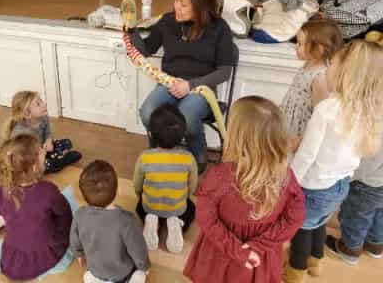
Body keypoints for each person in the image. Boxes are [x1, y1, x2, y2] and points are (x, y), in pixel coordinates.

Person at [284, 37, 383, 283]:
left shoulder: (327, 109)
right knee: (319, 224)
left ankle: (295, 272)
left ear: (346, 73)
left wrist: (290, 181)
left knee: (301, 228)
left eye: (332, 65)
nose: (326, 69)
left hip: (312, 185)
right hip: (340, 185)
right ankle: (315, 263)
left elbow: (307, 154)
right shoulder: (367, 110)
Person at [184, 96, 305, 283]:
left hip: (221, 254)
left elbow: (205, 219)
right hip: (260, 258)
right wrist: (259, 246)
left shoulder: (218, 177)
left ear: (236, 137)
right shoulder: (286, 178)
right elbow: (294, 218)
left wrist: (237, 250)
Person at [131, 0, 237, 173]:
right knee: (147, 113)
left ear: (200, 7)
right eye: (176, 1)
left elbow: (224, 72)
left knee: (187, 115)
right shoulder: (168, 22)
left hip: (201, 89)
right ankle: (158, 152)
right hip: (169, 83)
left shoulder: (220, 29)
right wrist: (130, 30)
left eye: (183, 4)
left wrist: (190, 85)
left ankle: (198, 153)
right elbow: (146, 49)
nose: (176, 7)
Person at [0, 134, 73, 281]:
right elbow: (63, 211)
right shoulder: (47, 190)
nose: (45, 154)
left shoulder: (0, 189)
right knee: (67, 209)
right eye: (42, 155)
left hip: (14, 251)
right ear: (35, 166)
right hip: (44, 252)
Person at [71, 160, 150, 283]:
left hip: (95, 270)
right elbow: (138, 250)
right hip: (122, 274)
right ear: (118, 191)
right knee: (140, 276)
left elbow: (74, 240)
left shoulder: (79, 214)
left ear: (83, 195)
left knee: (88, 276)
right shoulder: (127, 220)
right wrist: (144, 266)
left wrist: (79, 254)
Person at [133, 104, 197, 254]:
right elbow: (192, 186)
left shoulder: (145, 157)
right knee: (192, 208)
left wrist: (142, 196)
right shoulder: (188, 158)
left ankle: (151, 222)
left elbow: (137, 185)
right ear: (182, 136)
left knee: (139, 207)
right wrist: (183, 197)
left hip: (150, 205)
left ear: (150, 134)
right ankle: (177, 224)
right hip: (177, 207)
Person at [280, 19, 343, 142]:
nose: (296, 47)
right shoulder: (308, 65)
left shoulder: (321, 78)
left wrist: (301, 140)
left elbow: (319, 116)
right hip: (289, 126)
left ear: (319, 48)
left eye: (300, 44)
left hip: (301, 134)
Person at [2, 91, 81, 174]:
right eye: (38, 104)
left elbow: (48, 132)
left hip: (43, 150)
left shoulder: (43, 117)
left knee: (67, 143)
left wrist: (48, 141)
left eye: (41, 101)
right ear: (27, 114)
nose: (44, 104)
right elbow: (23, 155)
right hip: (32, 158)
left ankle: (57, 158)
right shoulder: (21, 132)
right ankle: (62, 161)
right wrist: (40, 154)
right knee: (49, 164)